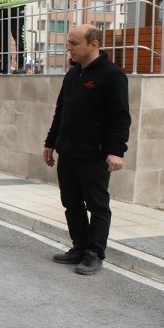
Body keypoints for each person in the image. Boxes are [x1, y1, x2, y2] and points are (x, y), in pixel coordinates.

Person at [43, 24, 131, 275]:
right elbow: (61, 112)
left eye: (74, 43)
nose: (69, 48)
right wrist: (50, 142)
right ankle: (79, 247)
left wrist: (117, 151)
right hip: (68, 152)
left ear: (93, 44)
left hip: (94, 154)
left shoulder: (111, 75)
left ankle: (95, 254)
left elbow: (120, 117)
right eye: (68, 43)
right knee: (71, 203)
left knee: (97, 205)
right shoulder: (73, 74)